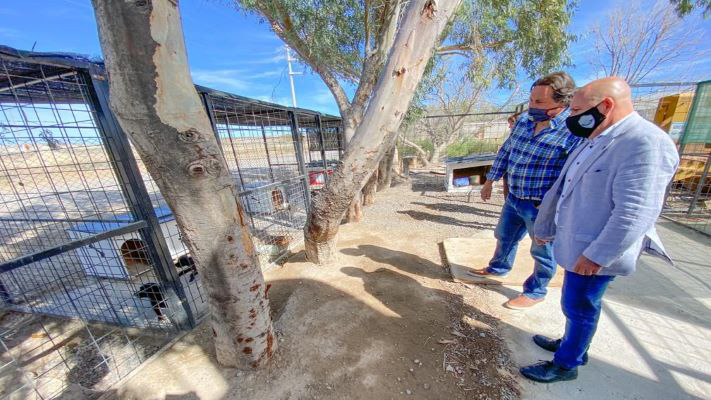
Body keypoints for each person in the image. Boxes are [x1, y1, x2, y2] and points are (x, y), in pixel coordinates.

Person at [519, 77, 679, 383]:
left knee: (579, 305)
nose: (572, 116)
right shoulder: (599, 134)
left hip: (595, 251)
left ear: (606, 105)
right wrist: (548, 226)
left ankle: (566, 364)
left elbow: (635, 212)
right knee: (575, 304)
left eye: (577, 109)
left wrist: (596, 256)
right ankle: (574, 345)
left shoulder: (644, 143)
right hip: (578, 242)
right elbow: (567, 186)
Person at [474, 72, 582, 309]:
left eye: (540, 102)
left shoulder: (572, 131)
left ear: (561, 103)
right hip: (514, 197)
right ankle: (498, 267)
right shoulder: (523, 122)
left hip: (541, 206)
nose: (532, 106)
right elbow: (506, 151)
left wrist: (556, 207)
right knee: (504, 236)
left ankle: (535, 291)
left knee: (543, 250)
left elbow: (572, 176)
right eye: (532, 100)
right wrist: (490, 180)